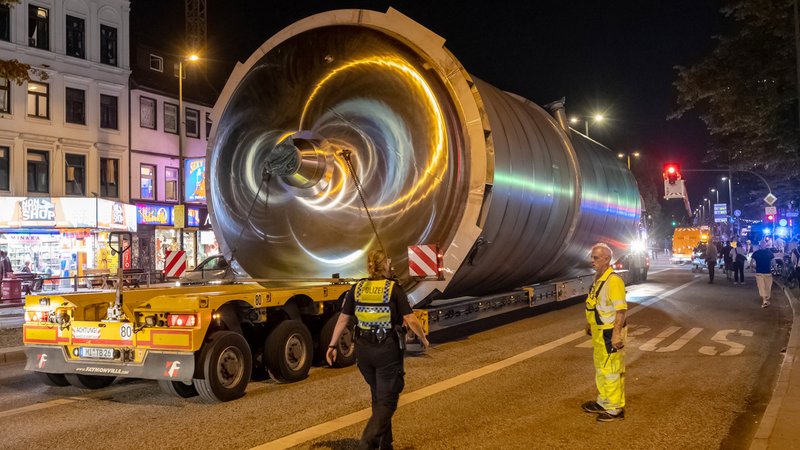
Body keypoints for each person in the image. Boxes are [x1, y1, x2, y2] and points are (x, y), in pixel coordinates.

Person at [326, 250, 430, 450]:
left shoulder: (357, 288)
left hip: (363, 352)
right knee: (388, 401)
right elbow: (409, 319)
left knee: (378, 396)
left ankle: (385, 444)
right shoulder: (393, 289)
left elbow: (343, 318)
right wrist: (423, 338)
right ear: (385, 266)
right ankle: (367, 442)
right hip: (386, 351)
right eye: (389, 262)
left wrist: (332, 345)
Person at [581, 243, 627, 422]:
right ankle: (604, 401)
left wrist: (616, 333)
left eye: (596, 258)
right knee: (601, 369)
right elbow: (596, 304)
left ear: (607, 259)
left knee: (611, 369)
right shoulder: (600, 278)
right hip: (599, 332)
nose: (592, 261)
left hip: (609, 333)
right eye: (592, 257)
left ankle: (615, 407)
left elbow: (620, 310)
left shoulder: (613, 281)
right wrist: (590, 323)